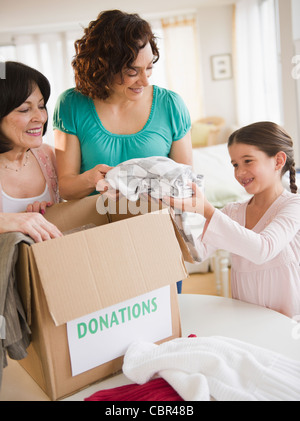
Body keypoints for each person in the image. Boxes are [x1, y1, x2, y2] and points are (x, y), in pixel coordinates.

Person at [164, 121, 300, 318]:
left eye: (248, 161)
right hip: (246, 319)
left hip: (288, 322)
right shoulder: (233, 212)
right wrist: (174, 211)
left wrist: (208, 211)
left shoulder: (293, 206)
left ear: (278, 161)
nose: (239, 172)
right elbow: (197, 254)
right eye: (235, 164)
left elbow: (263, 249)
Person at [53, 9, 193, 201]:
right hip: (98, 224)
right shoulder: (71, 104)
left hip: (158, 223)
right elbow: (66, 189)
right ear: (104, 67)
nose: (144, 81)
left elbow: (186, 186)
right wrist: (90, 179)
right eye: (132, 72)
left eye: (149, 67)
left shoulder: (171, 105)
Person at [0, 61, 62, 242]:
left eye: (41, 106)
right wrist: (12, 221)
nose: (40, 118)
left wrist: (49, 214)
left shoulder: (49, 157)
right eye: (25, 109)